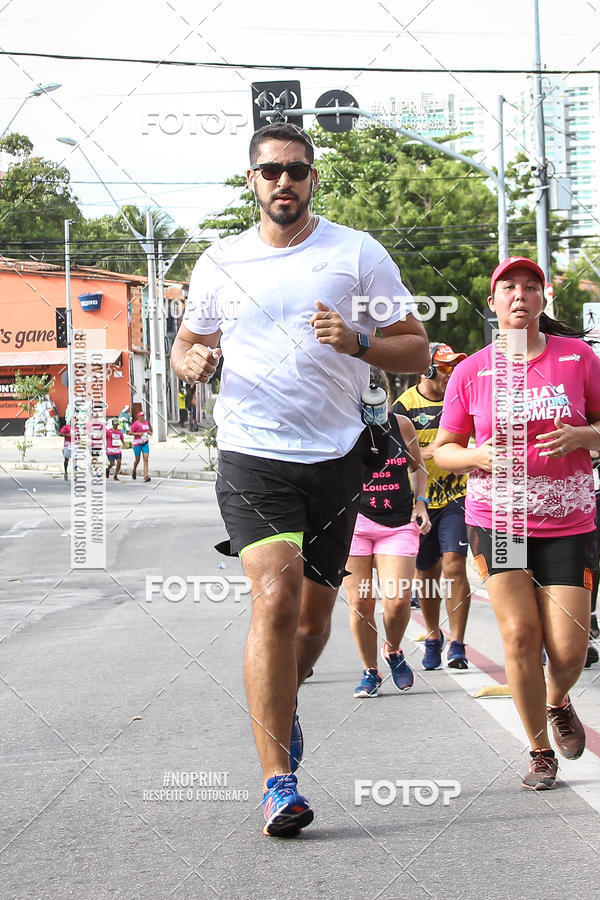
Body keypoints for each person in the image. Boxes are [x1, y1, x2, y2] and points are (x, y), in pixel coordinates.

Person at [171, 122, 429, 837]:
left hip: (337, 459)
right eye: (270, 170)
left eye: (297, 170)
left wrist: (359, 340)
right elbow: (190, 342)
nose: (284, 181)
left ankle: (286, 702)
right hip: (252, 454)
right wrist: (186, 362)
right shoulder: (220, 262)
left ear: (313, 180)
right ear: (251, 181)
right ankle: (277, 783)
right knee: (276, 600)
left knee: (313, 624)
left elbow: (412, 350)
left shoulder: (354, 254)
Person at [434, 256, 600, 791]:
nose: (520, 296)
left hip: (569, 521)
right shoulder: (472, 370)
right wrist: (478, 458)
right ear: (493, 302)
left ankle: (557, 700)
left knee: (570, 648)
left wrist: (582, 438)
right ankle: (539, 751)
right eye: (509, 288)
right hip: (500, 523)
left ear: (544, 300)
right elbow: (443, 451)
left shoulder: (578, 358)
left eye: (531, 287)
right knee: (520, 637)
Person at [344, 367, 430, 698]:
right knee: (361, 604)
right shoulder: (345, 428)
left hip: (398, 523)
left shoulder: (401, 425)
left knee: (396, 603)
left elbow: (418, 467)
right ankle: (369, 671)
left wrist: (421, 503)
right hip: (356, 524)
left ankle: (392, 649)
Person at [395, 343, 471, 670]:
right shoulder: (404, 407)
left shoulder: (459, 400)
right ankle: (432, 635)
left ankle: (457, 643)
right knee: (427, 573)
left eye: (454, 366)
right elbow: (396, 458)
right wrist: (428, 454)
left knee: (454, 564)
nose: (450, 373)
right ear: (426, 370)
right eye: (444, 367)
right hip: (420, 503)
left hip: (457, 496)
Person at [130, 410, 152, 482]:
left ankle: (146, 476)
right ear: (138, 417)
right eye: (141, 416)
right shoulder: (136, 424)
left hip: (145, 443)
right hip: (137, 443)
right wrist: (138, 434)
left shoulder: (146, 422)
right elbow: (130, 432)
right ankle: (134, 469)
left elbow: (150, 431)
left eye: (143, 416)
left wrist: (149, 432)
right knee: (137, 459)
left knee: (146, 459)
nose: (143, 417)